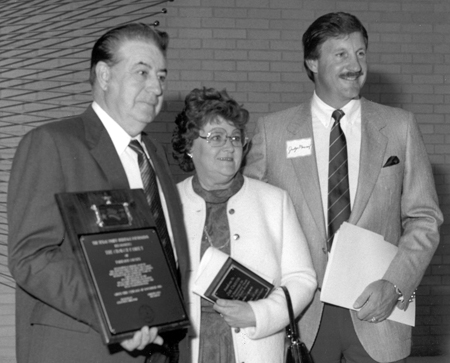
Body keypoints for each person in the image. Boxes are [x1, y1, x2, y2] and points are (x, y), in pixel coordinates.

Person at [244, 11, 443, 363]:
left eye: (361, 53)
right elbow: (251, 222)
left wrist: (395, 285)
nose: (355, 64)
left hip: (378, 314)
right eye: (341, 54)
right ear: (312, 63)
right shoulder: (271, 133)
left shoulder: (400, 127)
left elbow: (424, 219)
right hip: (302, 320)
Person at [7, 23, 189, 363]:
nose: (156, 87)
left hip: (159, 351)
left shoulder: (155, 156)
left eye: (161, 76)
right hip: (84, 350)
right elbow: (31, 257)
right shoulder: (52, 143)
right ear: (104, 76)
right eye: (142, 72)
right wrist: (119, 315)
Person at [171, 87, 317, 363]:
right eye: (216, 137)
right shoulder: (169, 202)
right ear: (190, 146)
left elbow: (302, 279)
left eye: (236, 138)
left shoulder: (274, 201)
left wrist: (259, 314)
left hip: (257, 347)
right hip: (187, 350)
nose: (229, 146)